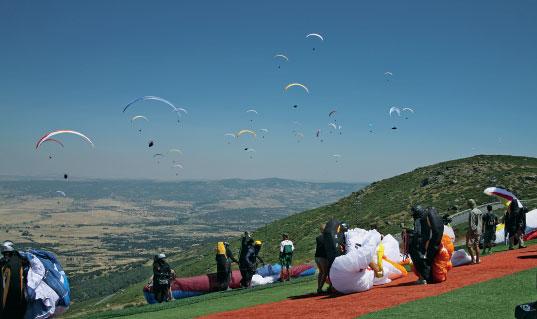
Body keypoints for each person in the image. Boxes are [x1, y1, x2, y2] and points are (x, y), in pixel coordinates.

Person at [409, 205, 443, 284]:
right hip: (429, 242)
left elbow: (417, 232)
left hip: (421, 243)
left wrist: (410, 234)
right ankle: (429, 277)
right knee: (427, 260)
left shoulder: (419, 220)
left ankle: (423, 278)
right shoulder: (426, 218)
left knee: (418, 260)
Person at [1, 241, 27, 319]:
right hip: (21, 304)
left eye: (7, 254)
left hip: (13, 303)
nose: (5, 256)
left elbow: (10, 287)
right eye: (5, 254)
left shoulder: (11, 266)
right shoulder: (19, 261)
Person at [466, 199, 483, 264]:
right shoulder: (479, 211)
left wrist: (470, 232)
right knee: (476, 245)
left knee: (469, 245)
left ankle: (473, 259)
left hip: (473, 231)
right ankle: (478, 259)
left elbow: (472, 224)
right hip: (479, 230)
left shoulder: (472, 212)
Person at [315, 225, 328, 294]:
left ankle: (318, 287)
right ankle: (319, 289)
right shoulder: (327, 237)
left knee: (321, 272)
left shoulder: (318, 238)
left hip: (317, 257)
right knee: (325, 272)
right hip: (322, 257)